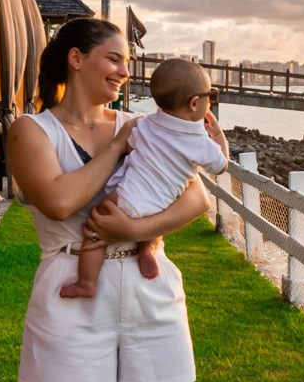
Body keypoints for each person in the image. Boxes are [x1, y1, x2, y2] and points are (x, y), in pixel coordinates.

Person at [7, 17, 265, 382]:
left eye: (128, 62)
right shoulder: (32, 131)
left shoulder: (143, 123)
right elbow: (59, 201)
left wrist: (135, 228)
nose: (126, 71)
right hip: (72, 293)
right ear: (76, 59)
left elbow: (196, 197)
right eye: (115, 59)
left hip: (149, 289)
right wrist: (120, 146)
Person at [60, 58, 229, 299]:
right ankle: (147, 247)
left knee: (93, 233)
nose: (211, 101)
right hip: (163, 204)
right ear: (194, 103)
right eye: (210, 96)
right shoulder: (200, 143)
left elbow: (130, 145)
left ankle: (86, 282)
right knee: (152, 221)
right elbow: (222, 165)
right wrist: (219, 135)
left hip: (125, 198)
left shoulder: (146, 124)